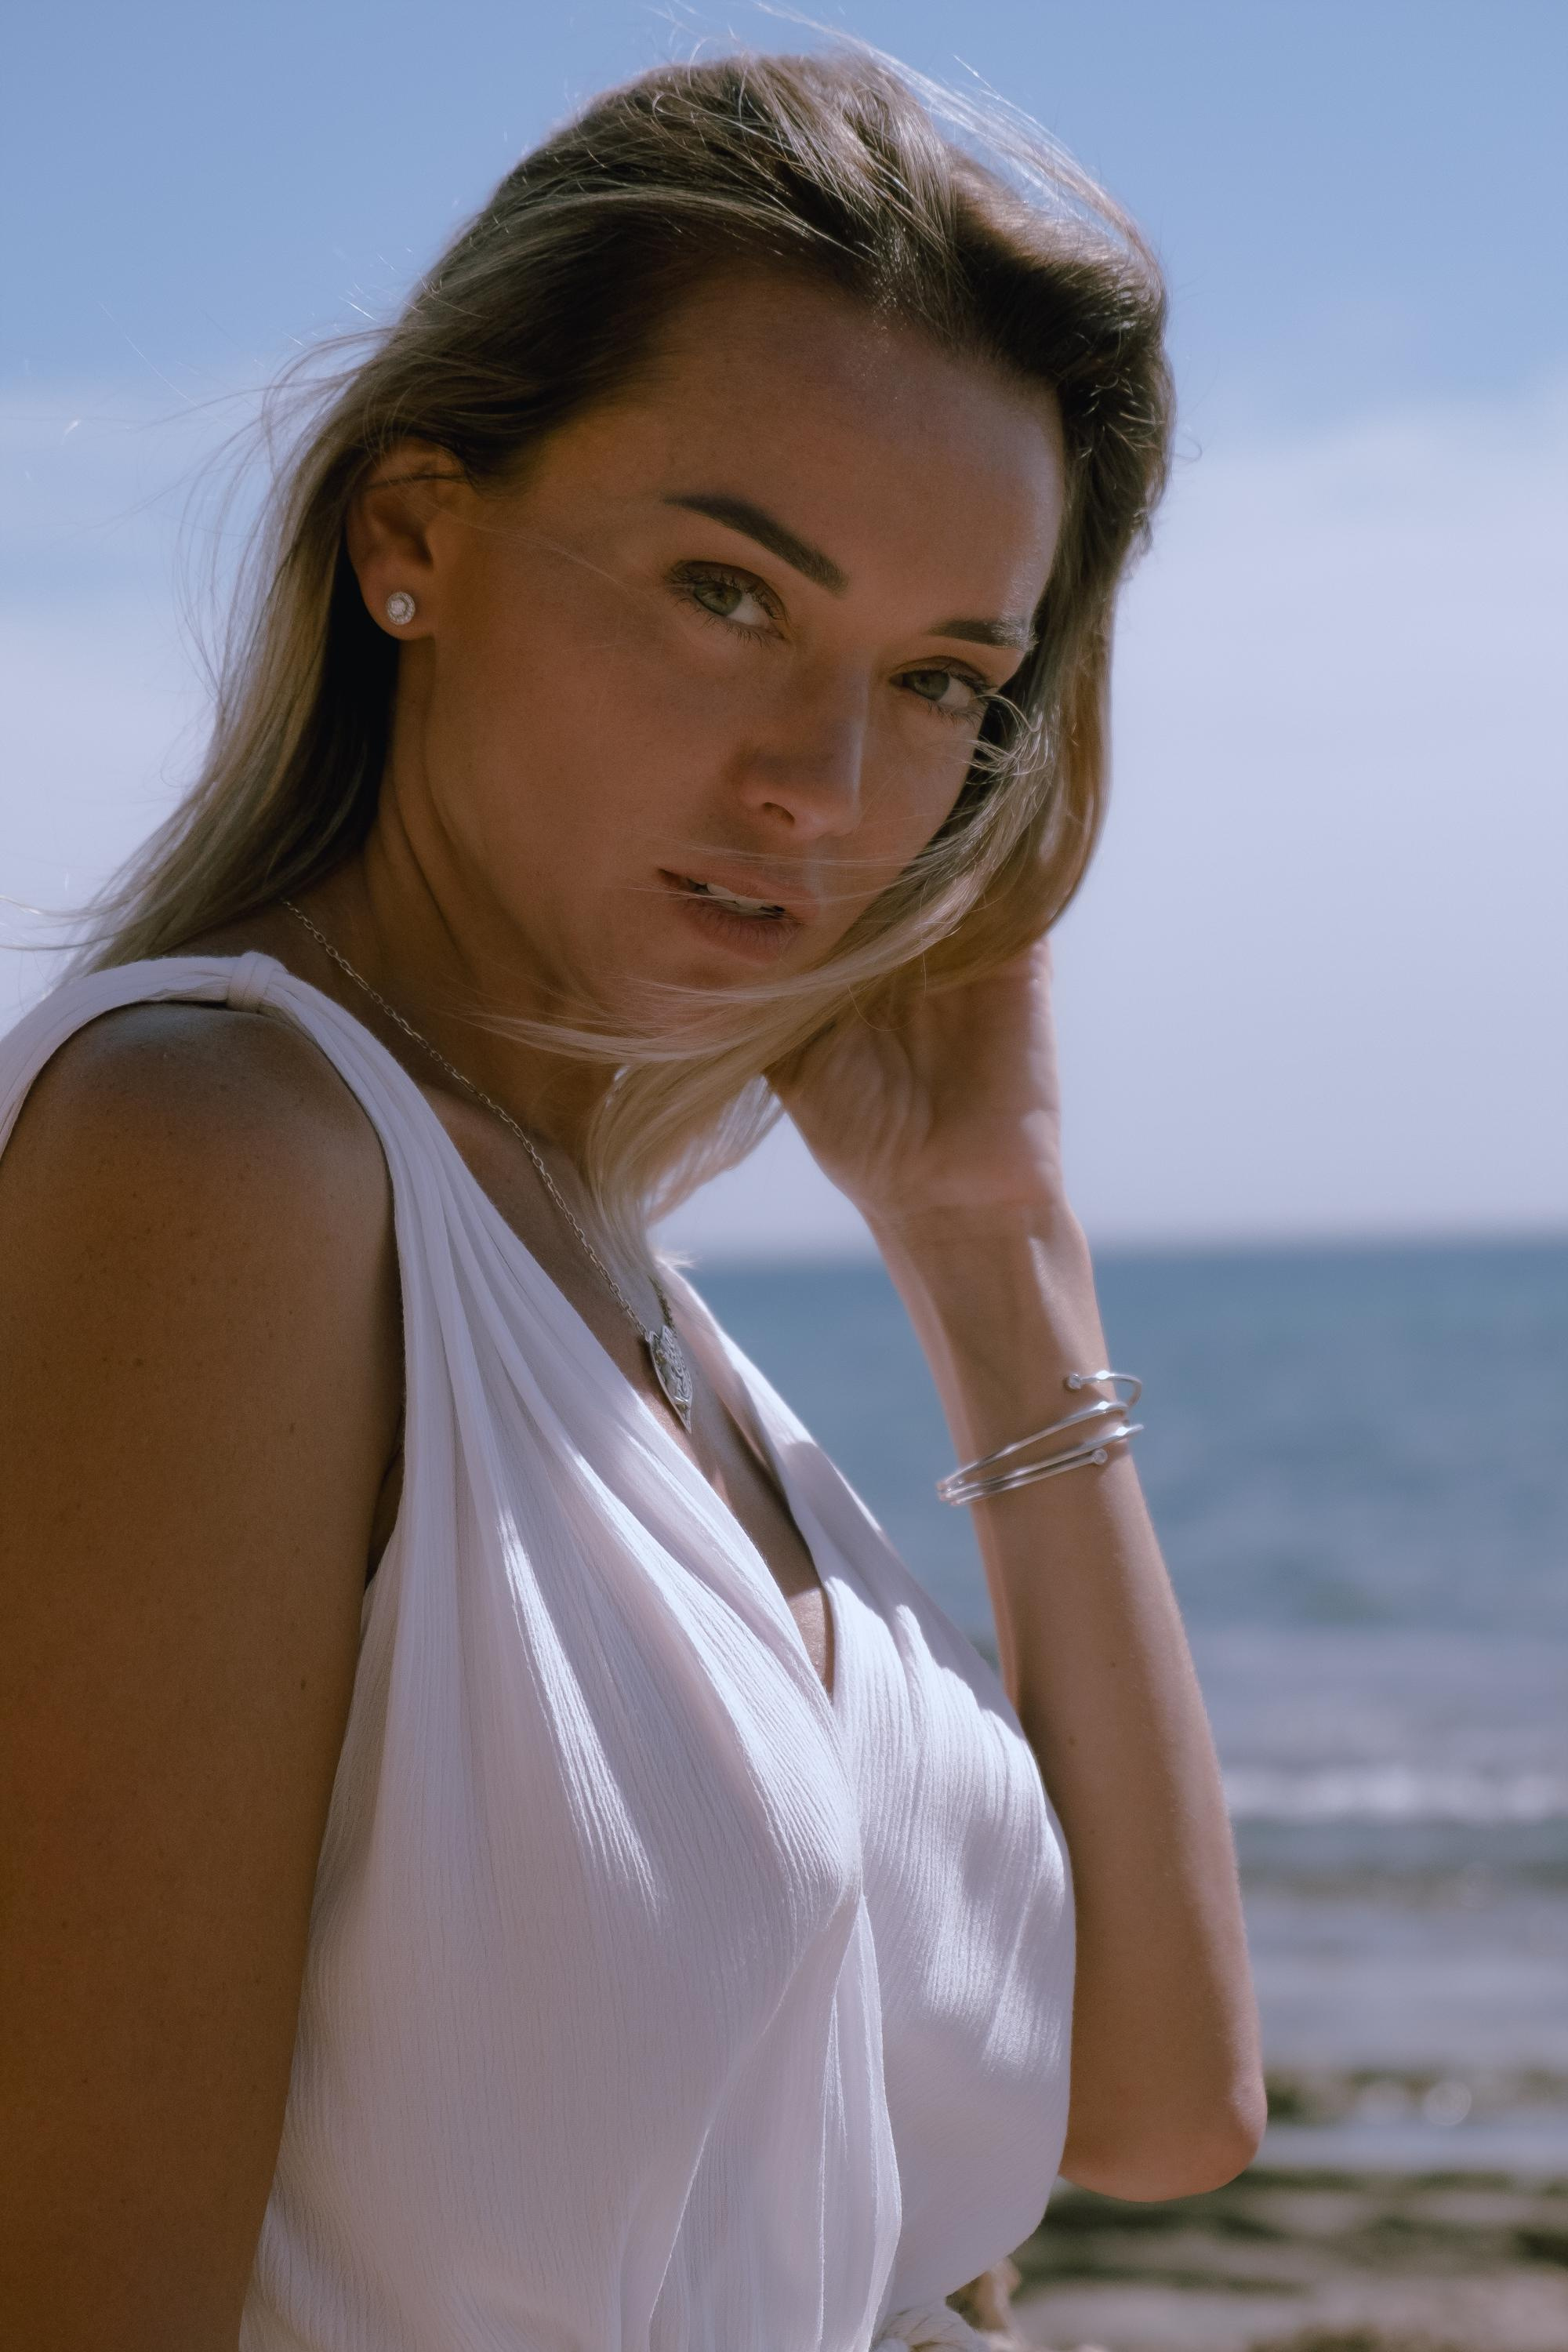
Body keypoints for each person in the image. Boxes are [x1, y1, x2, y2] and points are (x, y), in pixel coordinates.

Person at [0, 45, 1266, 2352]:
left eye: (942, 679)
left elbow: (1161, 2108)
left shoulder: (619, 1303)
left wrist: (993, 1243)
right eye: (727, 591)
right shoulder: (220, 1157)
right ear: (412, 536)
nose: (824, 785)